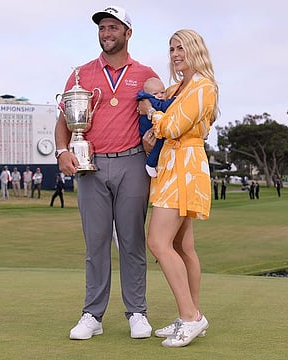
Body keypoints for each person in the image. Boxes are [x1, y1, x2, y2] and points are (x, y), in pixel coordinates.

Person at [55, 5, 158, 341]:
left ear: (128, 33)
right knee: (96, 243)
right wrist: (62, 152)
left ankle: (137, 312)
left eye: (113, 27)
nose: (106, 33)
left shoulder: (144, 73)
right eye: (102, 28)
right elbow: (64, 123)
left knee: (131, 241)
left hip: (131, 163)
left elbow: (160, 113)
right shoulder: (81, 74)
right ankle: (92, 314)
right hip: (91, 165)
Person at [138, 28, 219, 347]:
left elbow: (171, 126)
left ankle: (191, 317)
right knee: (183, 247)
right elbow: (162, 127)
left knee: (158, 242)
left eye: (181, 48)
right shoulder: (176, 86)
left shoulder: (203, 86)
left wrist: (151, 112)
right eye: (171, 49)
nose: (175, 54)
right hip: (171, 166)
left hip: (185, 167)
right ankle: (191, 313)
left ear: (196, 49)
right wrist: (153, 128)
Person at [136, 77, 174, 178]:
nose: (160, 96)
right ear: (148, 94)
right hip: (149, 131)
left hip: (153, 129)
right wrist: (175, 100)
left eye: (162, 92)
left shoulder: (148, 99)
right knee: (158, 145)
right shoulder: (150, 101)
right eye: (155, 94)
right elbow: (162, 107)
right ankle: (151, 164)